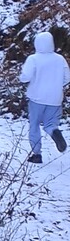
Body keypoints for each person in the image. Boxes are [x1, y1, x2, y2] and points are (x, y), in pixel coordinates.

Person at [20, 29, 70, 163]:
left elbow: (25, 77)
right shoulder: (60, 59)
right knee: (50, 124)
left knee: (34, 125)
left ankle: (37, 155)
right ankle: (55, 132)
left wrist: (23, 78)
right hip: (55, 98)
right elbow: (67, 78)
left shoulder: (33, 59)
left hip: (36, 97)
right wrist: (57, 86)